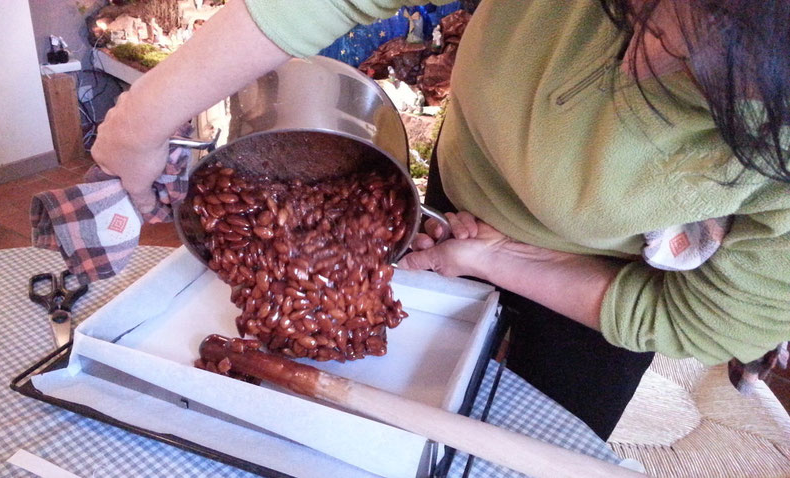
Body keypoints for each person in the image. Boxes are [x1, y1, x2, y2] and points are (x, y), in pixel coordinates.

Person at [92, 0, 790, 440]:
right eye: (645, 17)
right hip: (456, 201)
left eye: (701, 85)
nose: (640, 68)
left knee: (533, 445)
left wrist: (507, 262)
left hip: (609, 286)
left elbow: (707, 323)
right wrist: (137, 122)